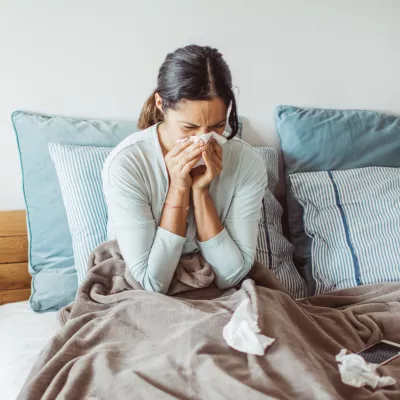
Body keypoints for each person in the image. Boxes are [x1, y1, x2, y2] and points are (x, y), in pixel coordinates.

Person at [102, 45, 267, 294]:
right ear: (160, 103)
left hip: (221, 293)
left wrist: (201, 193)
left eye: (217, 125)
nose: (204, 139)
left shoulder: (246, 162)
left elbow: (231, 275)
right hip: (141, 295)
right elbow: (151, 283)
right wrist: (179, 188)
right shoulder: (128, 164)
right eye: (189, 127)